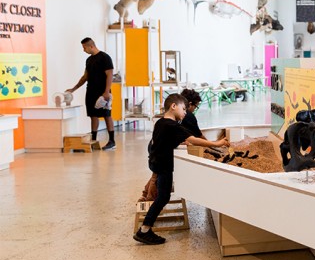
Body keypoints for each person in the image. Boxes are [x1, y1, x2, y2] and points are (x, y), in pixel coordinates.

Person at [134, 94, 229, 245]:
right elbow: (193, 139)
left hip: (155, 162)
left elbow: (164, 141)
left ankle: (145, 225)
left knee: (161, 193)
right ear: (173, 106)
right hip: (164, 165)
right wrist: (217, 144)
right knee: (163, 197)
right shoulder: (172, 126)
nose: (185, 112)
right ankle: (144, 230)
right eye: (183, 109)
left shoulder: (160, 123)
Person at [137, 88, 208, 202]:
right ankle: (149, 200)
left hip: (154, 145)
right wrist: (215, 144)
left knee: (156, 174)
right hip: (160, 149)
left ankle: (145, 195)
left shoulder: (172, 115)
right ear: (189, 104)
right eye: (195, 106)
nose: (194, 109)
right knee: (157, 176)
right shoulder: (188, 115)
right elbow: (198, 136)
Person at [66, 37, 116, 150]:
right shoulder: (89, 60)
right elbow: (85, 77)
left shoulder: (105, 57)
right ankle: (93, 140)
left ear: (91, 46)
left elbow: (110, 74)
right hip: (91, 91)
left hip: (103, 92)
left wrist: (107, 91)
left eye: (84, 47)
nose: (83, 50)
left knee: (106, 115)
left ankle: (112, 141)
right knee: (93, 116)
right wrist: (73, 89)